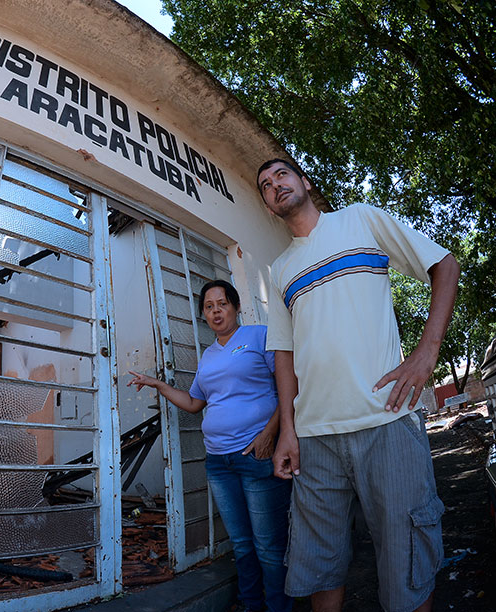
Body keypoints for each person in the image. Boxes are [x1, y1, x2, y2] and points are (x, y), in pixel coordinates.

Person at [257, 158, 460, 612]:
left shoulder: (360, 219)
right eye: (266, 186)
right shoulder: (281, 269)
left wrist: (427, 353)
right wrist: (287, 429)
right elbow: (285, 355)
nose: (275, 185)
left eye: (282, 175)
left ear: (306, 181)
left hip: (386, 420)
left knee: (407, 562)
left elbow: (445, 265)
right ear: (270, 207)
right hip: (314, 441)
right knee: (319, 570)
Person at [129, 279, 292, 612]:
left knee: (268, 546)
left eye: (222, 303)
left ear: (234, 306)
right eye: (209, 306)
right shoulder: (208, 355)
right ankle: (251, 605)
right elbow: (193, 403)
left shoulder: (259, 336)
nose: (216, 311)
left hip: (256, 456)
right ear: (203, 314)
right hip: (219, 462)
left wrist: (269, 435)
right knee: (242, 544)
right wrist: (158, 384)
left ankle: (279, 607)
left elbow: (290, 387)